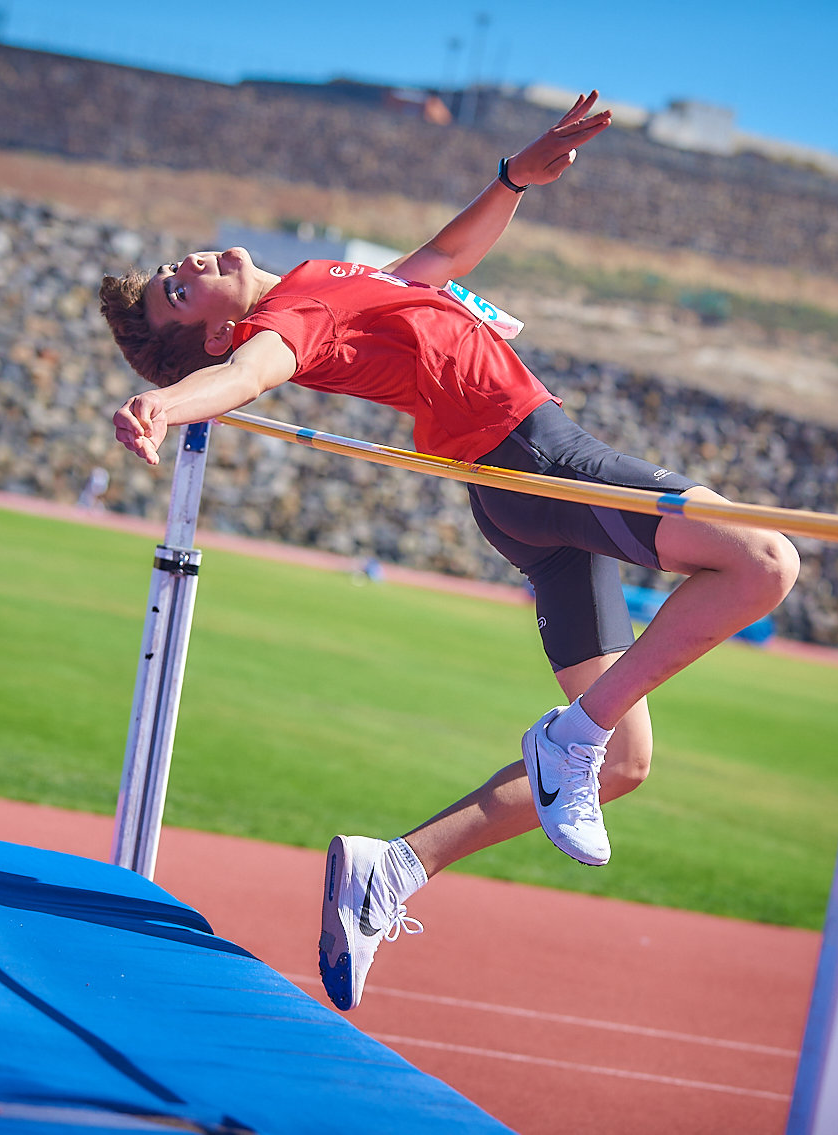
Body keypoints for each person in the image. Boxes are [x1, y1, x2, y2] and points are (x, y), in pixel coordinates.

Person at [101, 93, 800, 1011]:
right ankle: (568, 741)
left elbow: (437, 264)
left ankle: (392, 869)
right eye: (180, 293)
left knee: (623, 760)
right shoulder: (284, 328)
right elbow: (242, 378)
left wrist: (514, 177)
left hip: (513, 490)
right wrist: (168, 402)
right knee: (764, 561)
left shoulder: (319, 279)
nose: (187, 265)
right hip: (536, 459)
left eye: (171, 269)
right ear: (219, 330)